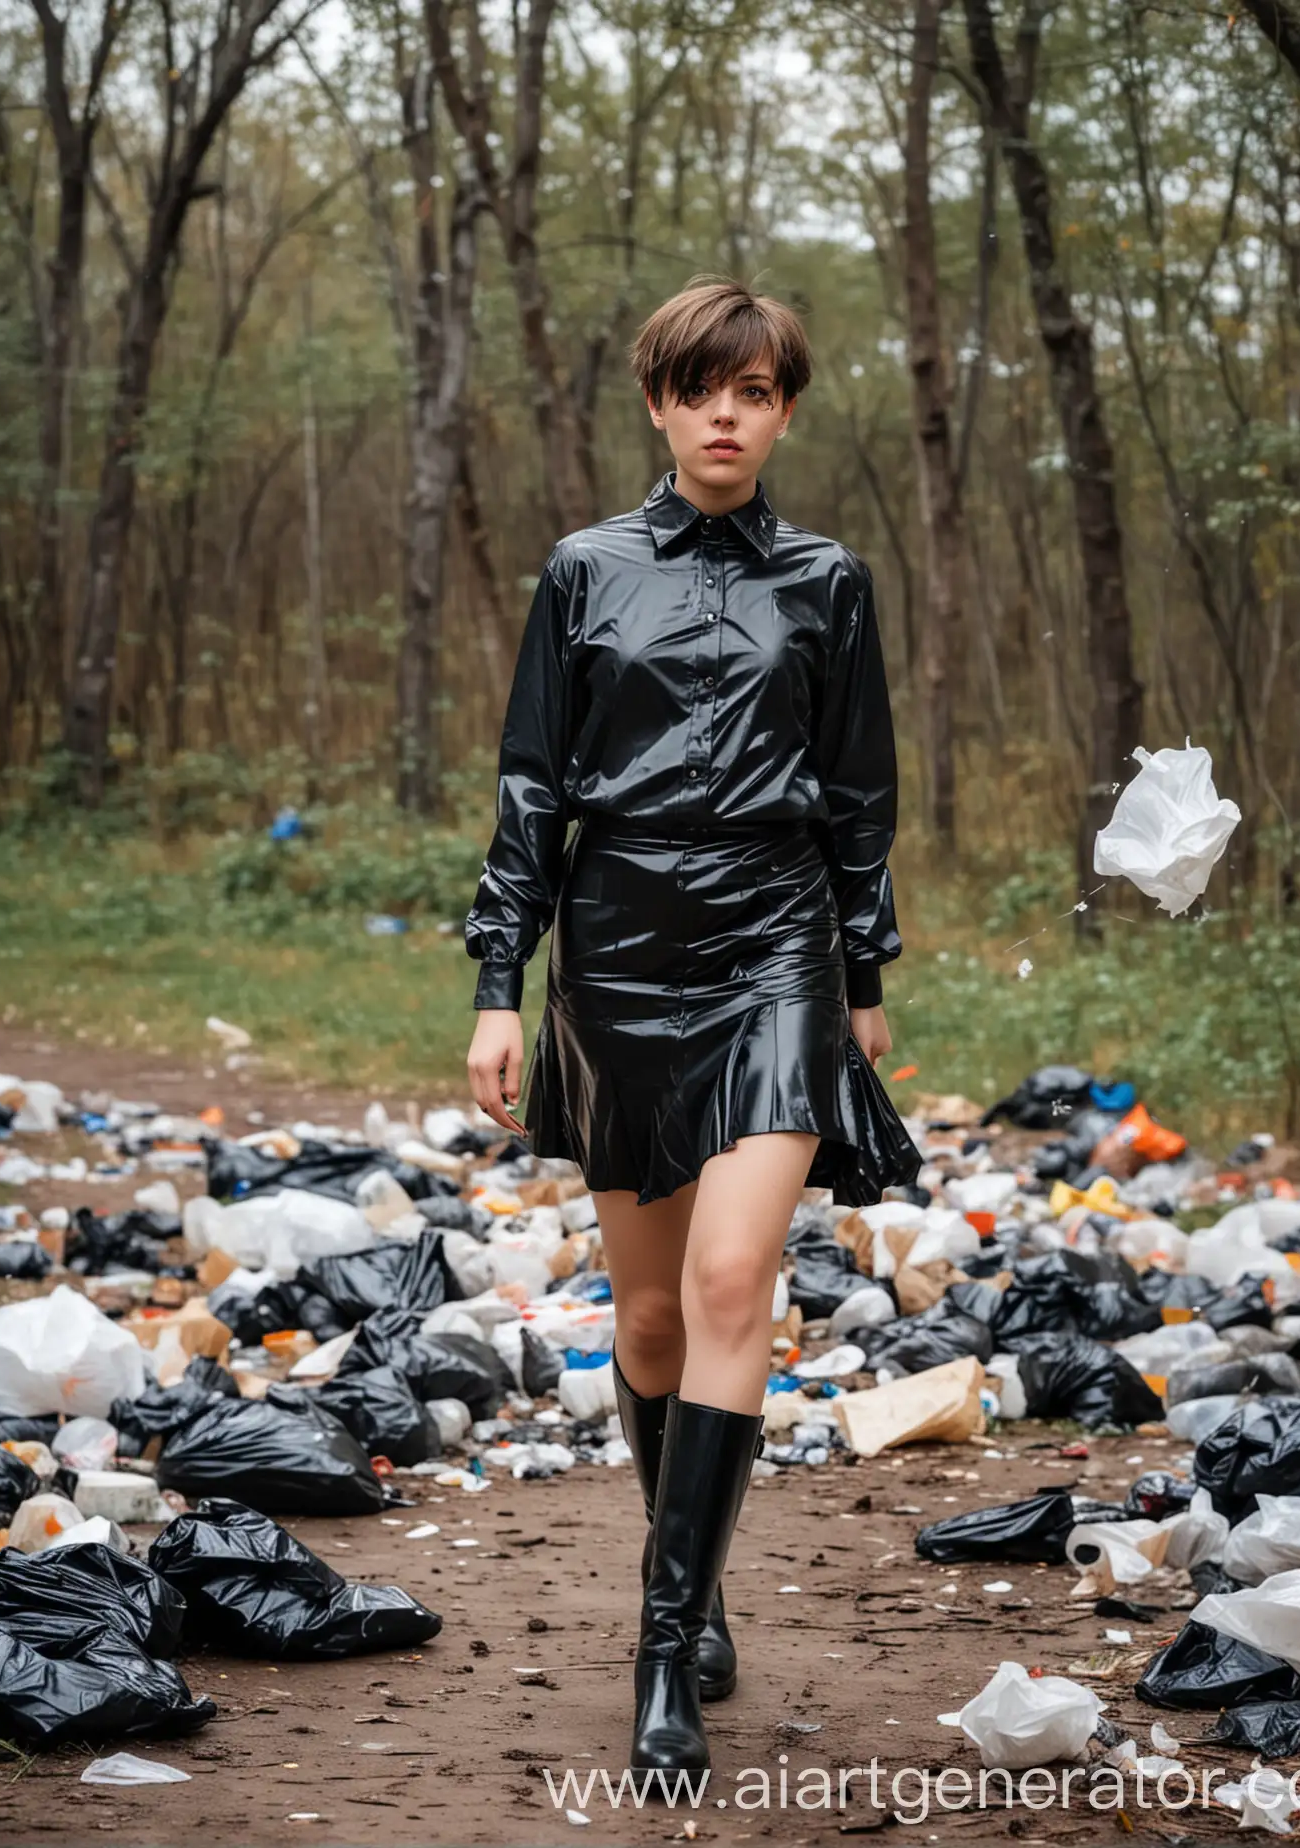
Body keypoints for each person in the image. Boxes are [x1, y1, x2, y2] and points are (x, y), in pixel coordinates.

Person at [463, 275, 922, 1776]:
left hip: (776, 945)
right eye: (701, 389)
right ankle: (696, 1569)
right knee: (649, 1315)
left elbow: (858, 793)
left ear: (785, 411)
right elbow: (536, 783)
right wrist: (495, 984)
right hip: (618, 954)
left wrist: (863, 977)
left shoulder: (830, 581)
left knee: (735, 1281)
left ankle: (662, 1656)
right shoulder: (585, 570)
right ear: (662, 404)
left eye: (758, 392)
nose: (728, 414)